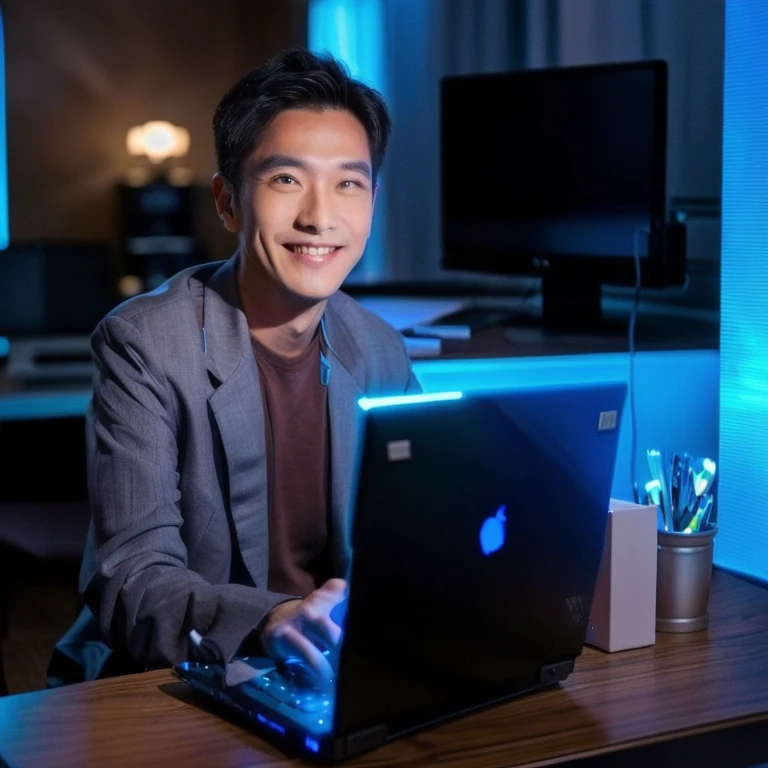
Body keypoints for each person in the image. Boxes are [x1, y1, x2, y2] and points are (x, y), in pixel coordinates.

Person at [47, 47, 421, 688]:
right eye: (285, 179)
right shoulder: (144, 344)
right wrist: (274, 618)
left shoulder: (380, 348)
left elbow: (420, 534)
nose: (319, 216)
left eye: (348, 183)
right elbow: (134, 580)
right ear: (226, 202)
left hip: (331, 672)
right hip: (178, 679)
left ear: (372, 202)